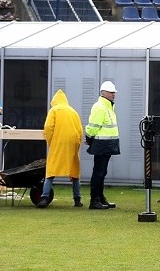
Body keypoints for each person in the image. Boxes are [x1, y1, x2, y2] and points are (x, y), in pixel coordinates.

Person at [37, 89, 83, 208]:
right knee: (74, 172)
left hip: (58, 143)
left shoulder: (54, 110)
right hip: (72, 144)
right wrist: (77, 145)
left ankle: (44, 198)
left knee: (51, 170)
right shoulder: (73, 112)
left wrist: (50, 142)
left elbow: (48, 127)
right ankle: (77, 199)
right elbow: (80, 131)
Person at [84, 80, 120, 210]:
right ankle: (95, 200)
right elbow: (93, 126)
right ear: (103, 93)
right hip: (102, 144)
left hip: (106, 144)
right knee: (99, 172)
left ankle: (99, 198)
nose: (113, 94)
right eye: (111, 92)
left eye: (113, 92)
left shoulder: (107, 107)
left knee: (101, 172)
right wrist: (89, 138)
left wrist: (89, 138)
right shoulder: (100, 107)